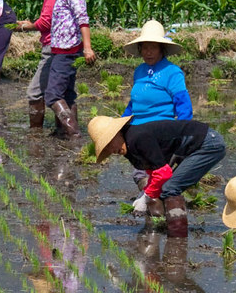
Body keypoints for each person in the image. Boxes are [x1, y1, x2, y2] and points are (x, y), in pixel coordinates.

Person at [88, 115, 226, 237]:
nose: (112, 151)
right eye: (107, 149)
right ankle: (173, 229)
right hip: (193, 147)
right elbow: (153, 170)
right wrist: (145, 193)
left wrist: (146, 197)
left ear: (117, 133)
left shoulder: (137, 138)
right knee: (167, 187)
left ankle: (177, 238)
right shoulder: (129, 146)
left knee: (170, 188)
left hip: (208, 144)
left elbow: (163, 173)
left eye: (110, 144)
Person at [122, 20, 193, 211]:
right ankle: (153, 203)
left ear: (161, 48)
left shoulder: (172, 72)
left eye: (152, 47)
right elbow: (134, 103)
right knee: (142, 175)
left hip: (160, 134)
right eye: (144, 47)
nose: (148, 52)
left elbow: (184, 106)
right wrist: (120, 125)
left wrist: (182, 136)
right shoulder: (140, 71)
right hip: (138, 133)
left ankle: (157, 213)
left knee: (157, 175)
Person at [42, 0, 95, 138]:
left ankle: (72, 133)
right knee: (67, 94)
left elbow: (83, 18)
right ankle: (63, 131)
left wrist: (87, 48)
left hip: (67, 50)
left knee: (53, 95)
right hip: (63, 49)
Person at [15, 0, 59, 131]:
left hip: (52, 47)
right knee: (62, 92)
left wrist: (27, 26)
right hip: (64, 47)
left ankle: (36, 132)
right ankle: (63, 132)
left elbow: (45, 23)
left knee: (34, 92)